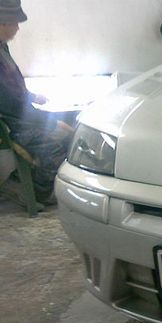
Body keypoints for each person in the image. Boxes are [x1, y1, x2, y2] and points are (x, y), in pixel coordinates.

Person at [0, 0, 74, 204]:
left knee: (70, 131)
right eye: (15, 23)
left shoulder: (3, 48)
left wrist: (32, 96)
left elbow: (13, 90)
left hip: (20, 117)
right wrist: (50, 121)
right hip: (13, 125)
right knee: (57, 146)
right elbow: (10, 104)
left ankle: (24, 182)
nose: (17, 28)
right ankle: (35, 192)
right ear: (3, 23)